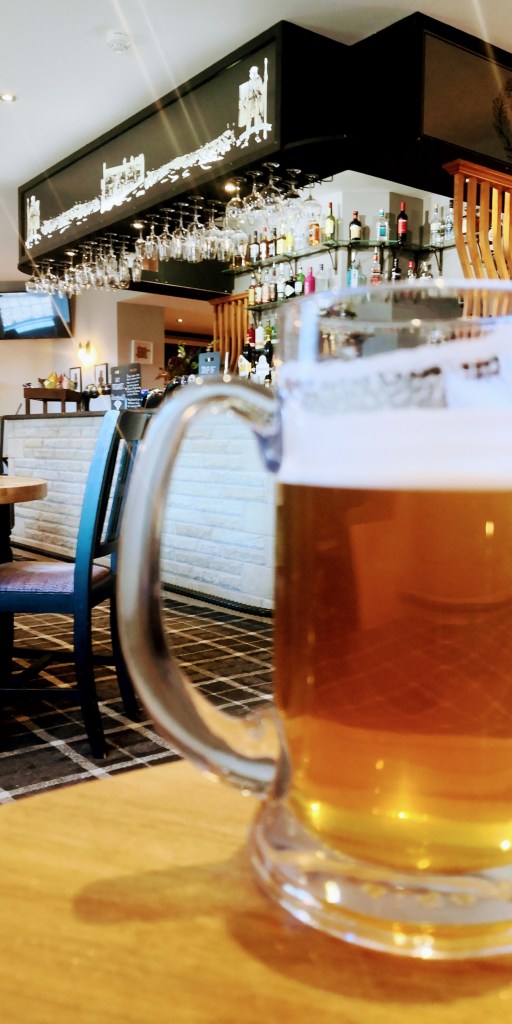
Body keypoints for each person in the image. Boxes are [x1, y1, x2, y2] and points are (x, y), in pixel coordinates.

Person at [238, 65, 265, 142]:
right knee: (248, 119)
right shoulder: (249, 81)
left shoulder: (258, 79)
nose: (250, 73)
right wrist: (243, 102)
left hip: (255, 101)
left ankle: (257, 135)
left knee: (256, 117)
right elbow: (245, 92)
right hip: (249, 102)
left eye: (251, 72)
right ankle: (247, 138)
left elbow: (260, 89)